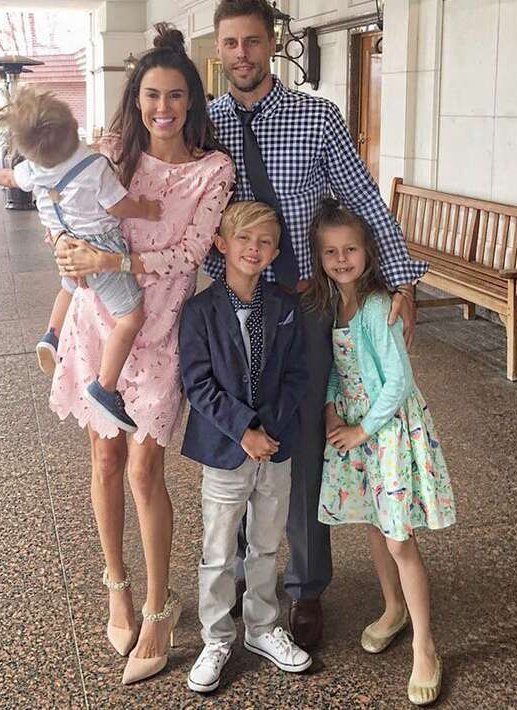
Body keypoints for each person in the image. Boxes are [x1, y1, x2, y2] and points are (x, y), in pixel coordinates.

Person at [206, 0, 428, 648]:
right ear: (218, 49)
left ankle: (305, 587)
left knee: (305, 445)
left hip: (303, 304)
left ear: (272, 44)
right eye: (231, 43)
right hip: (236, 305)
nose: (242, 54)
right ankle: (243, 574)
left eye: (252, 41)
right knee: (238, 437)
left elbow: (362, 199)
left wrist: (403, 280)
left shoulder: (316, 116)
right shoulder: (206, 124)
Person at [52, 24, 235, 685]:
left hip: (160, 333)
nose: (164, 108)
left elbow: (190, 254)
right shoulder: (109, 156)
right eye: (152, 95)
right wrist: (68, 249)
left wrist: (114, 260)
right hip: (96, 326)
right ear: (136, 99)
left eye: (176, 96)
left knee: (143, 469)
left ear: (192, 101)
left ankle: (160, 606)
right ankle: (118, 586)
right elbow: (69, 216)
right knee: (104, 459)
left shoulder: (213, 170)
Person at [311, 199, 455, 705]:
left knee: (399, 539)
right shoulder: (335, 304)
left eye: (350, 249)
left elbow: (398, 381)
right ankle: (393, 608)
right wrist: (331, 410)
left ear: (368, 252)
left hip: (385, 430)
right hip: (356, 427)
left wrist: (362, 430)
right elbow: (337, 369)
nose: (341, 259)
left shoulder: (377, 307)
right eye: (331, 251)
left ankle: (424, 645)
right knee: (375, 524)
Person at [0, 87, 162, 432]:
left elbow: (8, 178)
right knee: (131, 317)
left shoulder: (32, 169)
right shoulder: (94, 166)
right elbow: (118, 206)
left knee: (68, 287)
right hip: (99, 248)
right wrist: (145, 209)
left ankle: (52, 334)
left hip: (65, 242)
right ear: (74, 124)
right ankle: (105, 386)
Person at [179, 201, 311, 693]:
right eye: (244, 239)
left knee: (266, 543)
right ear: (221, 244)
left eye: (265, 242)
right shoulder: (200, 311)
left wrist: (267, 431)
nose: (254, 249)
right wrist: (244, 430)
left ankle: (261, 627)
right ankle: (216, 637)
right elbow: (198, 383)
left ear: (275, 252)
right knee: (218, 551)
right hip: (226, 448)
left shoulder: (285, 307)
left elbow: (298, 374)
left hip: (275, 446)